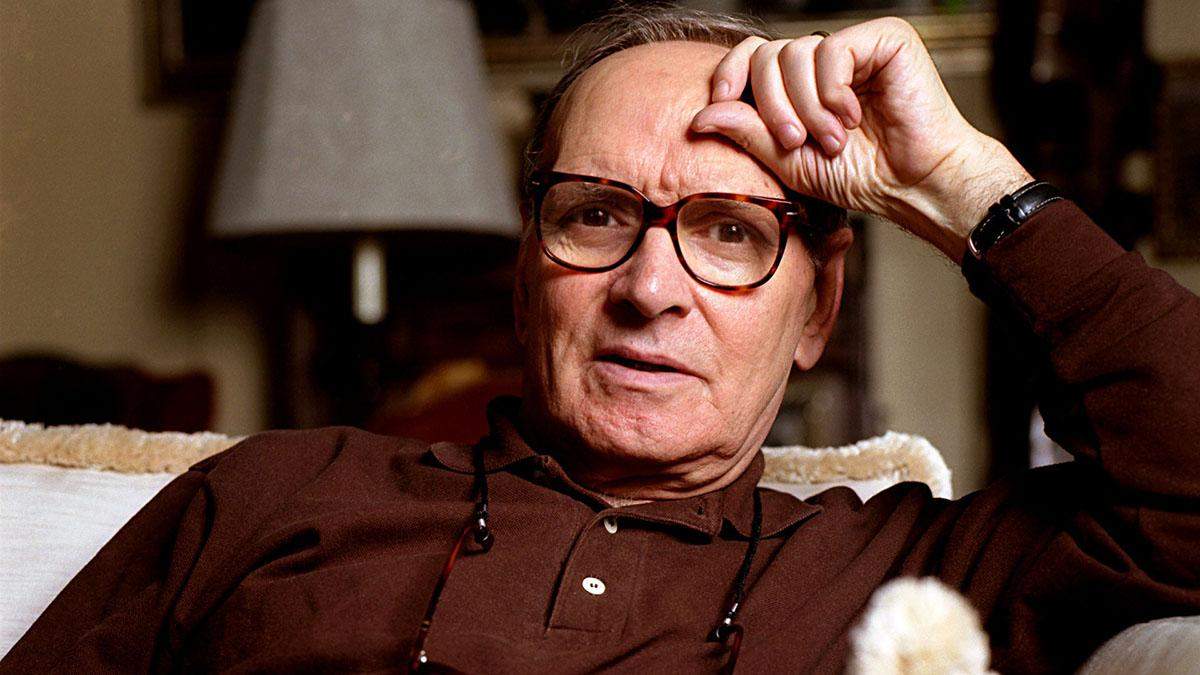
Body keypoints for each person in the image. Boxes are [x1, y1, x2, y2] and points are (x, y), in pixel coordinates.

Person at [4, 6, 1199, 674]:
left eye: (729, 232)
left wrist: (968, 185)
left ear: (816, 311)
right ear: (527, 270)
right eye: (596, 215)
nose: (649, 288)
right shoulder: (275, 498)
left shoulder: (917, 579)